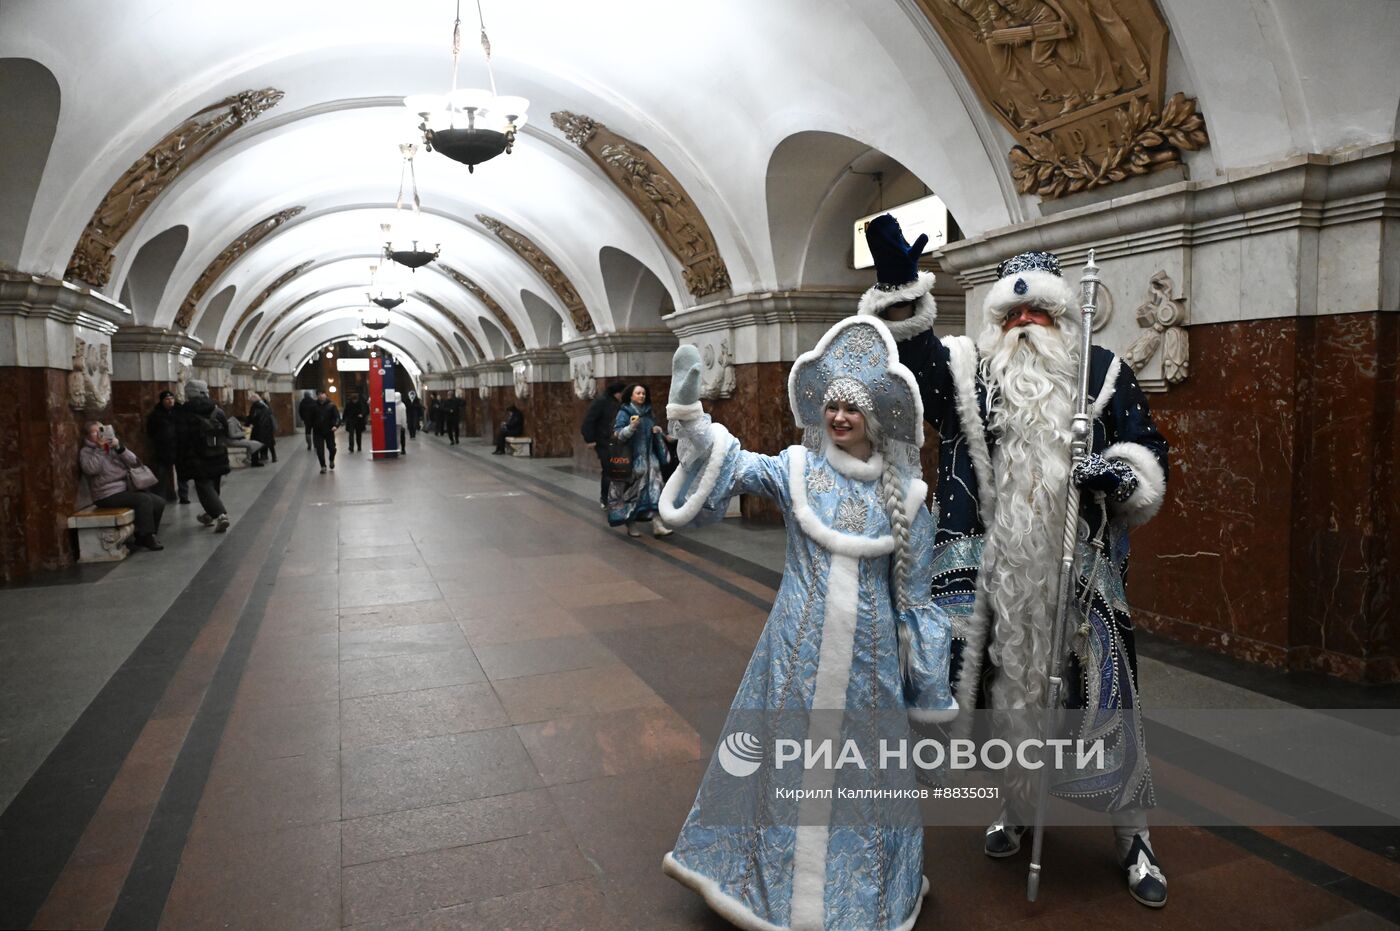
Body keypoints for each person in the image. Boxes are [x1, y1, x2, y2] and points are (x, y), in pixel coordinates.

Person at [861, 215, 1170, 907]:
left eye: (1039, 310)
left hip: (1082, 575)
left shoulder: (1102, 369)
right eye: (1014, 311)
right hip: (993, 572)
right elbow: (919, 370)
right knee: (1005, 700)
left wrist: (1116, 474)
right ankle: (1016, 804)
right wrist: (899, 288)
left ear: (1062, 314)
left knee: (1107, 704)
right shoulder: (973, 373)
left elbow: (1149, 449)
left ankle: (1134, 835)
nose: (1026, 322)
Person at [658, 319, 956, 930]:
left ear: (874, 418)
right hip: (794, 652)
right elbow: (731, 464)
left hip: (869, 670)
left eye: (852, 407)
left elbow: (918, 599)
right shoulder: (796, 468)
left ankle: (861, 899)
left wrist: (927, 689)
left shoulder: (909, 498)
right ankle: (769, 891)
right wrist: (688, 412)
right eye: (832, 405)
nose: (839, 416)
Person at [80, 421, 166, 551]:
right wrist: (100, 450)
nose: (99, 434)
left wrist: (119, 447)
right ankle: (148, 536)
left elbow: (134, 461)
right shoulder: (86, 452)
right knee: (143, 500)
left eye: (101, 430)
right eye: (94, 432)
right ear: (87, 436)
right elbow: (91, 469)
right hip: (106, 494)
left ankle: (142, 535)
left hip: (126, 488)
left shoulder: (113, 447)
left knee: (159, 502)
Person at [605, 386, 668, 536]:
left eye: (644, 393)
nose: (642, 396)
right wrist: (631, 427)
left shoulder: (648, 412)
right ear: (631, 396)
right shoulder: (624, 412)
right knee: (632, 494)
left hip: (650, 460)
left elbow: (654, 429)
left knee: (656, 488)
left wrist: (658, 431)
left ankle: (657, 524)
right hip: (632, 460)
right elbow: (618, 435)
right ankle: (630, 523)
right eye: (638, 393)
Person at [174, 379, 231, 532]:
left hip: (196, 456)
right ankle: (210, 515)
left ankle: (220, 515)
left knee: (203, 485)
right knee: (214, 484)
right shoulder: (216, 409)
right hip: (217, 452)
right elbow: (226, 430)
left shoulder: (184, 412)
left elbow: (181, 437)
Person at [581, 380, 626, 508]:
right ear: (617, 393)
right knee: (608, 469)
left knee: (619, 469)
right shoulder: (601, 402)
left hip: (618, 442)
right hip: (603, 442)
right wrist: (589, 439)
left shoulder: (621, 404)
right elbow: (589, 421)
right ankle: (605, 498)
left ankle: (618, 496)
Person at [145, 390, 186, 503]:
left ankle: (184, 496)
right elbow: (151, 431)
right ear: (162, 401)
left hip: (179, 446)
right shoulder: (156, 414)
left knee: (182, 472)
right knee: (161, 474)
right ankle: (161, 497)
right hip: (163, 448)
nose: (170, 401)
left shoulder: (179, 411)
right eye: (167, 399)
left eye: (172, 398)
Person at [312, 390, 340, 473]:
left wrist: (335, 425)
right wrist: (310, 426)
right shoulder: (314, 406)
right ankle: (323, 466)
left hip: (329, 430)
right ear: (317, 396)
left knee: (332, 448)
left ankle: (331, 459)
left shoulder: (331, 405)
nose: (321, 396)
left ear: (326, 395)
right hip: (317, 431)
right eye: (319, 394)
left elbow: (337, 417)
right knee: (319, 450)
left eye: (322, 394)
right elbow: (309, 418)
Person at [247, 391, 277, 463]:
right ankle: (273, 457)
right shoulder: (265, 405)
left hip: (258, 428)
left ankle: (256, 459)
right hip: (268, 427)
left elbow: (252, 418)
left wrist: (248, 423)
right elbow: (270, 416)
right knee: (269, 443)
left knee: (256, 442)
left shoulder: (254, 406)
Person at [393, 390, 408, 455]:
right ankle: (400, 449)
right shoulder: (402, 405)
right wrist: (404, 425)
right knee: (400, 437)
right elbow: (404, 416)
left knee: (394, 436)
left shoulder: (391, 405)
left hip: (393, 423)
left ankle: (394, 449)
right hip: (400, 423)